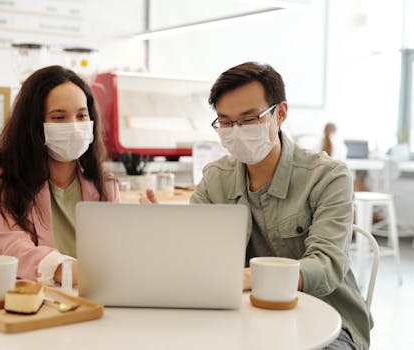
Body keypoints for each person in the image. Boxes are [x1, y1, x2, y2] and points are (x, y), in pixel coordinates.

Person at [143, 62, 371, 350]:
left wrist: (249, 277)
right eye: (225, 122)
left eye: (249, 119)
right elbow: (196, 256)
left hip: (328, 321)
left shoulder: (327, 176)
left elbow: (326, 266)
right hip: (242, 317)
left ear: (281, 113)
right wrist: (161, 234)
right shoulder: (216, 178)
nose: (236, 130)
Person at [0, 65, 120, 286]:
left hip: (93, 300)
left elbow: (116, 252)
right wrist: (69, 270)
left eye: (81, 115)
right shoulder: (4, 185)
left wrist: (148, 231)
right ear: (33, 125)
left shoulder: (106, 185)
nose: (73, 127)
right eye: (58, 117)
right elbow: (14, 249)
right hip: (36, 303)